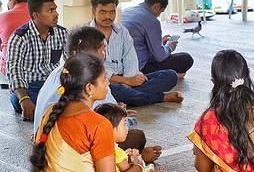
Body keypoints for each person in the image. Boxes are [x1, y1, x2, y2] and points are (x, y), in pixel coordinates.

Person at [31, 53, 193, 172]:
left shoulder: (51, 111)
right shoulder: (98, 124)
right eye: (103, 80)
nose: (108, 83)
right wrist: (137, 167)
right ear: (89, 88)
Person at [33, 26, 161, 163]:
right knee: (135, 135)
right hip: (72, 159)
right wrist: (137, 162)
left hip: (46, 145)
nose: (107, 83)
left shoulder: (60, 72)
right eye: (103, 49)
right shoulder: (90, 82)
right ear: (89, 88)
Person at [90, 0, 182, 106]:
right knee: (112, 90)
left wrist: (131, 80)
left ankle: (127, 97)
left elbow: (131, 58)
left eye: (112, 12)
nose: (108, 17)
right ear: (94, 11)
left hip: (127, 79)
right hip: (105, 83)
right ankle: (161, 97)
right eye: (103, 12)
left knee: (170, 75)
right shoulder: (87, 34)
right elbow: (93, 70)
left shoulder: (122, 31)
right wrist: (125, 81)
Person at [6, 0, 67, 121]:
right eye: (50, 10)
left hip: (53, 85)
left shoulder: (62, 33)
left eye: (55, 9)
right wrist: (24, 99)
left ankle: (53, 109)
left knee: (116, 91)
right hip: (29, 88)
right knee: (19, 101)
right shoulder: (20, 37)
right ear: (36, 15)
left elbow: (73, 61)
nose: (56, 14)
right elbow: (13, 71)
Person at [122, 0, 194, 77]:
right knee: (186, 59)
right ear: (156, 6)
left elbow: (138, 44)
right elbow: (160, 56)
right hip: (139, 68)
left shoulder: (126, 11)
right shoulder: (151, 20)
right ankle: (163, 76)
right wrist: (170, 46)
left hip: (120, 67)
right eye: (161, 11)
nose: (159, 15)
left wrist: (159, 42)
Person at [95, 103, 146, 172]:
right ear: (110, 129)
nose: (127, 128)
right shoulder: (116, 152)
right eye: (124, 124)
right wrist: (137, 160)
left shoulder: (99, 146)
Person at [0, 0, 30, 75]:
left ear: (12, 0)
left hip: (12, 69)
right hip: (37, 69)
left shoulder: (3, 17)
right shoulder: (38, 14)